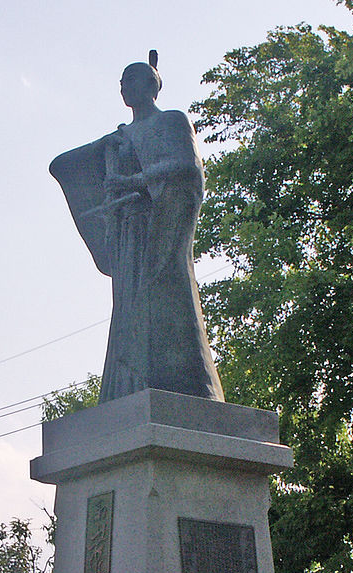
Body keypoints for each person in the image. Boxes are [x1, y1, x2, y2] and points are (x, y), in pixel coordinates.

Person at [50, 53, 225, 404]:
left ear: (151, 84)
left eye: (131, 79)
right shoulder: (118, 137)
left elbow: (187, 169)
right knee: (129, 310)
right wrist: (104, 153)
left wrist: (137, 179)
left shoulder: (173, 122)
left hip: (159, 226)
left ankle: (187, 388)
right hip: (128, 234)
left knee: (168, 300)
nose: (124, 87)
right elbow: (67, 165)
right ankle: (128, 388)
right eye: (121, 82)